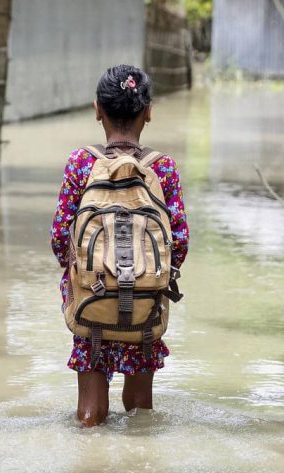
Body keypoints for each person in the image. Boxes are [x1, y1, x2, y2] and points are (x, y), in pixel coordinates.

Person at [51, 64, 189, 427]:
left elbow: (59, 238)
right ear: (148, 111)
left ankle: (90, 465)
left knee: (90, 413)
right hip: (145, 302)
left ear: (98, 109)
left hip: (91, 298)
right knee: (141, 412)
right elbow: (180, 244)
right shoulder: (164, 169)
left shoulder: (82, 163)